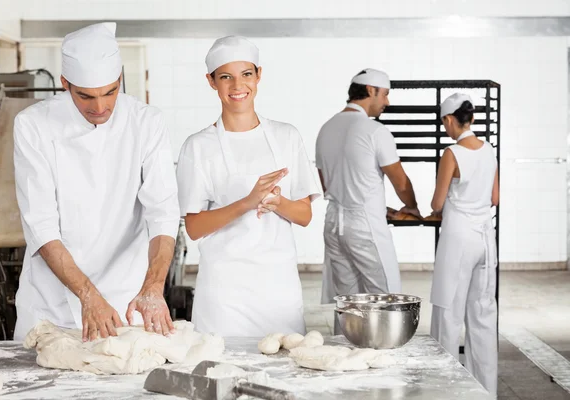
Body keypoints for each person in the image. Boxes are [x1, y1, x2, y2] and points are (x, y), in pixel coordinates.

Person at [13, 22, 180, 342]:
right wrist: (87, 295)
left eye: (110, 92)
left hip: (124, 300)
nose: (100, 107)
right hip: (51, 304)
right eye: (86, 96)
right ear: (65, 83)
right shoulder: (33, 125)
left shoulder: (146, 121)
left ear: (120, 80)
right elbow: (41, 224)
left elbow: (163, 211)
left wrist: (153, 287)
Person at [176, 36, 320, 337]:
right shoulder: (198, 146)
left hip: (278, 287)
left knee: (285, 369)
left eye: (246, 75)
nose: (237, 86)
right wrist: (248, 201)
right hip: (224, 292)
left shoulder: (287, 136)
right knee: (221, 371)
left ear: (259, 76)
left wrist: (278, 203)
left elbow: (305, 216)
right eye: (225, 77)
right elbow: (194, 227)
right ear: (211, 81)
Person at [315, 68, 420, 333]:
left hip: (334, 225)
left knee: (349, 303)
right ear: (371, 91)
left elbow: (326, 182)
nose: (387, 102)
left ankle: (345, 361)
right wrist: (412, 207)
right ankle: (386, 367)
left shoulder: (326, 128)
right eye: (385, 94)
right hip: (365, 227)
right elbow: (400, 181)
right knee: (387, 300)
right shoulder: (374, 130)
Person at [429, 93, 499, 395]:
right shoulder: (489, 150)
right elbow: (495, 198)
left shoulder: (452, 153)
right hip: (486, 238)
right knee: (483, 316)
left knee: (447, 315)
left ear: (448, 120)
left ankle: (444, 391)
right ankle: (485, 392)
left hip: (458, 240)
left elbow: (437, 202)